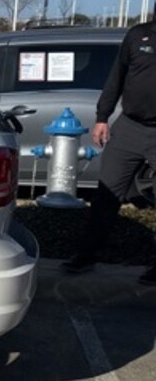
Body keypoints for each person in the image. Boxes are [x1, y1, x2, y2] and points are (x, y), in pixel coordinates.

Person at [63, 18, 156, 283]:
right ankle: (87, 256)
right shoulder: (139, 36)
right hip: (129, 127)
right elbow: (117, 76)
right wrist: (102, 117)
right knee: (106, 194)